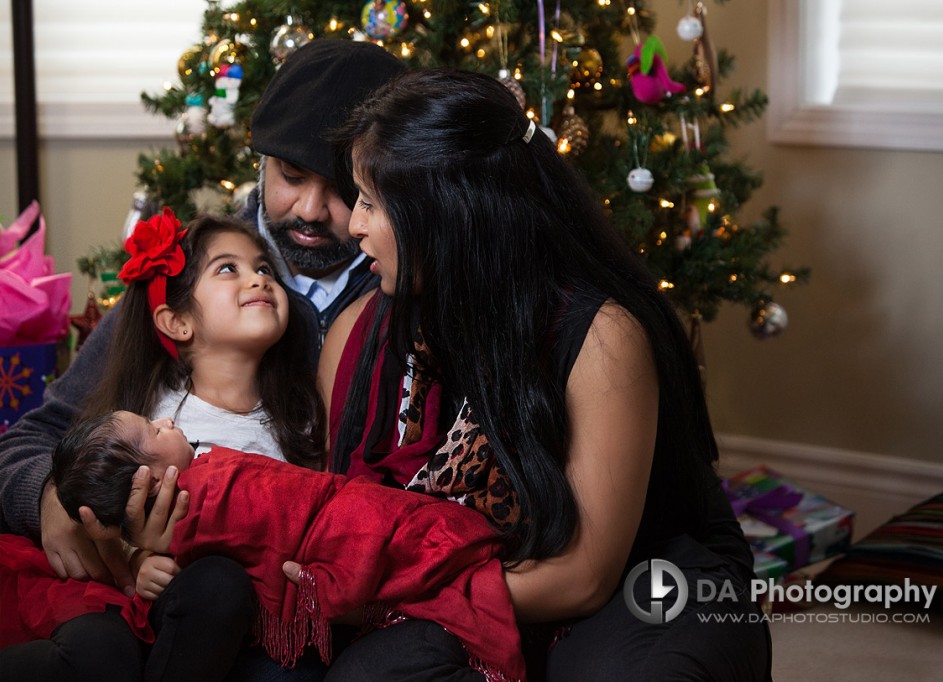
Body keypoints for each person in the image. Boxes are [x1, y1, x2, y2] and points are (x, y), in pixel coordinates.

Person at [306, 68, 772, 680]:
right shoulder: (360, 333)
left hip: (637, 577)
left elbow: (585, 578)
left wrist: (385, 594)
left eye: (371, 203)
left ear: (451, 214)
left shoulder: (601, 335)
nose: (354, 226)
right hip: (463, 584)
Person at [0, 38, 405, 605]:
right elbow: (28, 438)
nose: (310, 209)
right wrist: (50, 498)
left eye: (341, 189)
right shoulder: (190, 275)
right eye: (291, 175)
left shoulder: (403, 290)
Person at [0, 211, 331, 681]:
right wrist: (133, 556)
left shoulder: (300, 418)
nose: (258, 278)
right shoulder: (156, 415)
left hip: (257, 599)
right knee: (202, 592)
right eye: (228, 268)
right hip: (165, 593)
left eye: (265, 268)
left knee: (223, 588)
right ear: (176, 323)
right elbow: (104, 501)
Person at [0, 409, 522, 681]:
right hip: (168, 603)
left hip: (260, 610)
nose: (165, 421)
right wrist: (124, 549)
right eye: (152, 429)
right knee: (100, 652)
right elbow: (24, 440)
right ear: (177, 320)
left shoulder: (291, 398)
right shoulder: (178, 468)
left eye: (261, 267)